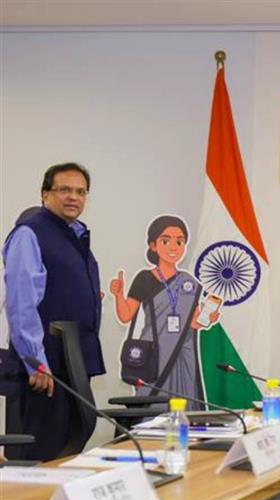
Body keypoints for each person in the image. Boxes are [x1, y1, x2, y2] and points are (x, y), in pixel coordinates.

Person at [1, 163, 104, 461]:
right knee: (37, 460)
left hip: (73, 365)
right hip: (44, 373)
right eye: (64, 190)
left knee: (67, 457)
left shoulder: (76, 235)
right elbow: (22, 304)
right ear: (45, 194)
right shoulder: (30, 233)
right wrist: (36, 363)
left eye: (80, 192)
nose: (73, 197)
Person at [110, 215, 219, 408]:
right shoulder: (144, 278)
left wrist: (207, 319)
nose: (173, 247)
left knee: (185, 406)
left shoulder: (188, 282)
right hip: (153, 354)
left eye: (179, 242)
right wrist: (118, 295)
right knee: (151, 406)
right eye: (166, 241)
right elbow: (126, 315)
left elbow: (193, 323)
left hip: (182, 353)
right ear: (153, 245)